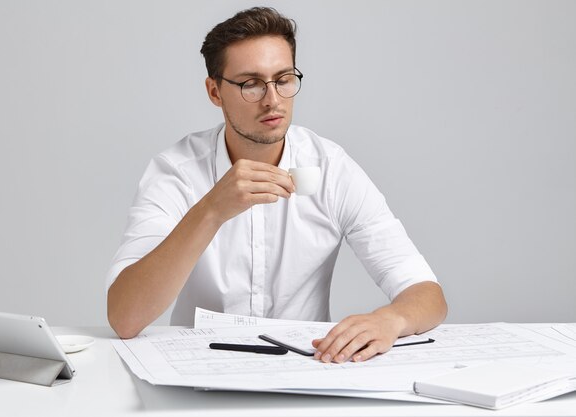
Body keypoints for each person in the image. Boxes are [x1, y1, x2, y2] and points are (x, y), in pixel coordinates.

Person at [106, 7, 447, 364]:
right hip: (198, 366)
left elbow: (427, 294)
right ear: (215, 91)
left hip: (307, 368)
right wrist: (210, 210)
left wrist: (390, 319)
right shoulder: (176, 171)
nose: (272, 99)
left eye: (283, 79)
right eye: (250, 84)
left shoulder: (330, 168)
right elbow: (125, 317)